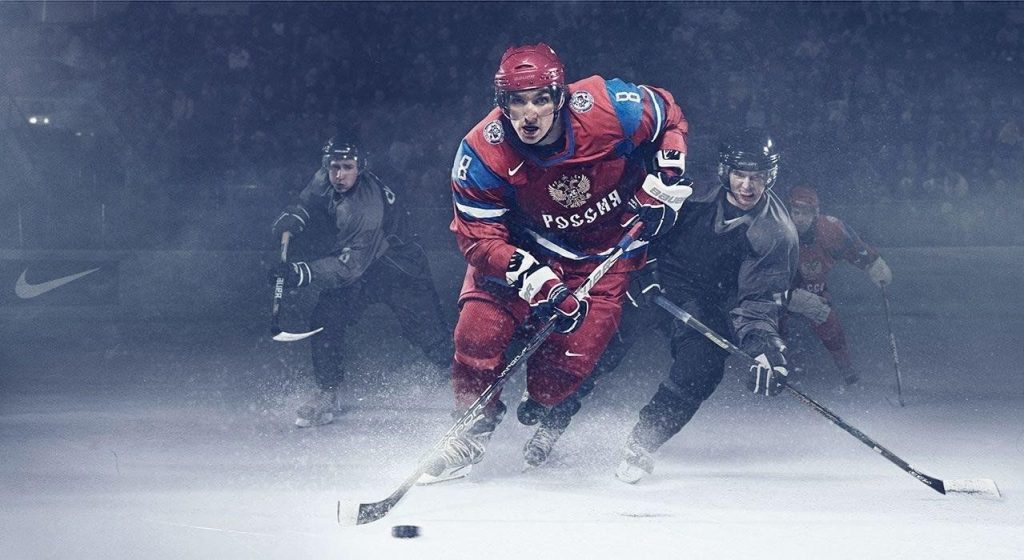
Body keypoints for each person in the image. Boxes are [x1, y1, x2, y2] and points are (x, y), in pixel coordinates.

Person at [423, 43, 692, 483]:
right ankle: (470, 432)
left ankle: (547, 402)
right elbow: (478, 238)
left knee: (556, 382)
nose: (529, 114)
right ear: (502, 103)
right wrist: (532, 276)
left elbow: (669, 116)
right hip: (526, 247)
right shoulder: (482, 151)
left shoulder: (609, 107)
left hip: (603, 256)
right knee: (476, 334)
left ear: (561, 97)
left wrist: (666, 180)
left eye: (540, 99)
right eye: (517, 101)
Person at [613, 128, 799, 483]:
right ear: (725, 171)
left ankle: (643, 440)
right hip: (652, 278)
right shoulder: (690, 189)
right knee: (600, 335)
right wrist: (642, 266)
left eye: (757, 176)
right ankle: (554, 411)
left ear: (770, 176)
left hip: (703, 300)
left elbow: (760, 298)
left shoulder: (776, 232)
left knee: (704, 365)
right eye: (740, 174)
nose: (747, 186)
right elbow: (639, 223)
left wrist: (764, 345)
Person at [269, 137, 453, 428]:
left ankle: (465, 380)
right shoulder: (325, 177)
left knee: (427, 333)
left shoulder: (364, 210)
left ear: (360, 168)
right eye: (334, 167)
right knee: (327, 316)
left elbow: (349, 267)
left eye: (347, 167)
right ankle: (328, 391)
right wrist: (297, 214)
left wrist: (299, 273)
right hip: (362, 262)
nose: (339, 175)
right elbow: (310, 198)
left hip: (399, 267)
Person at [785, 185, 892, 386]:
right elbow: (762, 276)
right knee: (770, 325)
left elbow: (855, 248)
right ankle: (771, 367)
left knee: (829, 323)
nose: (799, 219)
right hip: (781, 291)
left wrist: (873, 265)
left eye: (805, 213)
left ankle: (846, 369)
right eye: (796, 212)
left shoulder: (831, 229)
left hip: (814, 290)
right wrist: (788, 295)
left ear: (816, 214)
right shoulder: (777, 232)